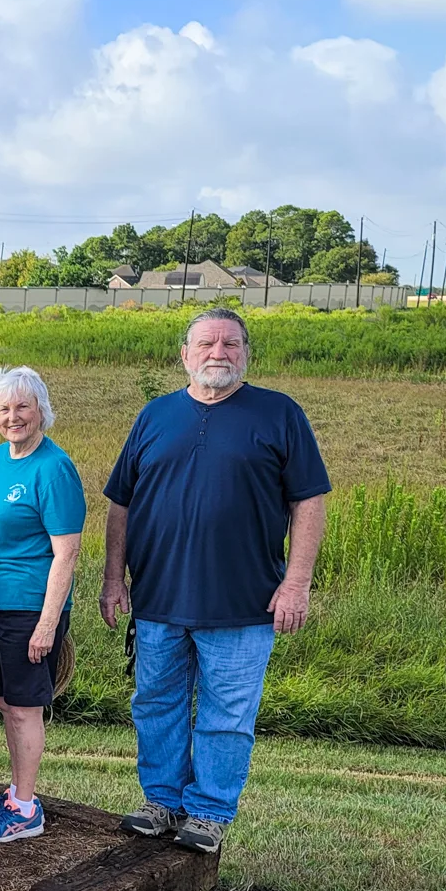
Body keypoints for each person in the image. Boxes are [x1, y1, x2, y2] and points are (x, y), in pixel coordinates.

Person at [101, 308, 330, 855]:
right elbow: (120, 504)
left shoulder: (278, 414)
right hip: (158, 598)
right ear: (185, 354)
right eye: (206, 343)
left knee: (228, 715)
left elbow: (309, 501)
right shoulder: (155, 415)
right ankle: (161, 800)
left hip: (244, 602)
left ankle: (207, 811)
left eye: (230, 344)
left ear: (246, 354)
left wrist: (296, 583)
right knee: (156, 702)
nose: (217, 353)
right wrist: (114, 578)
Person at [0, 366, 84, 842]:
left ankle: (27, 809)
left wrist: (47, 623)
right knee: (0, 698)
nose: (14, 417)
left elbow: (67, 551)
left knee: (23, 708)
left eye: (23, 407)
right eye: (4, 409)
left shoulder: (54, 468)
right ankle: (16, 791)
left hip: (28, 605)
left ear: (41, 412)